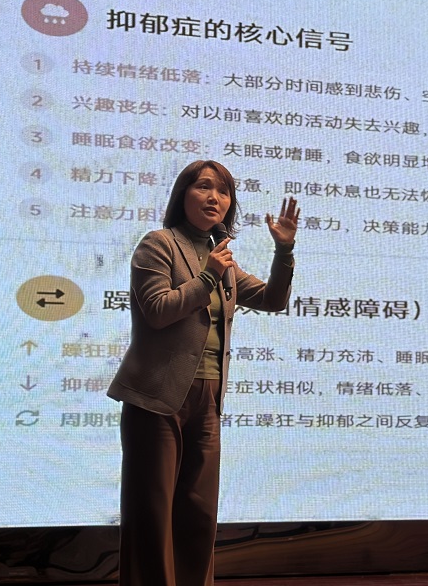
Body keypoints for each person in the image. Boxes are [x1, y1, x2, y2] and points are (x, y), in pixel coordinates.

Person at [107, 159, 299, 586]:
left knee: (199, 514)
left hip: (208, 399)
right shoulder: (159, 244)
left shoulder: (222, 257)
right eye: (204, 187)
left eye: (224, 191)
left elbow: (271, 299)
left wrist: (284, 252)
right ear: (183, 195)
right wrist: (209, 276)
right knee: (152, 515)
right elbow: (157, 310)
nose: (215, 198)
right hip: (157, 398)